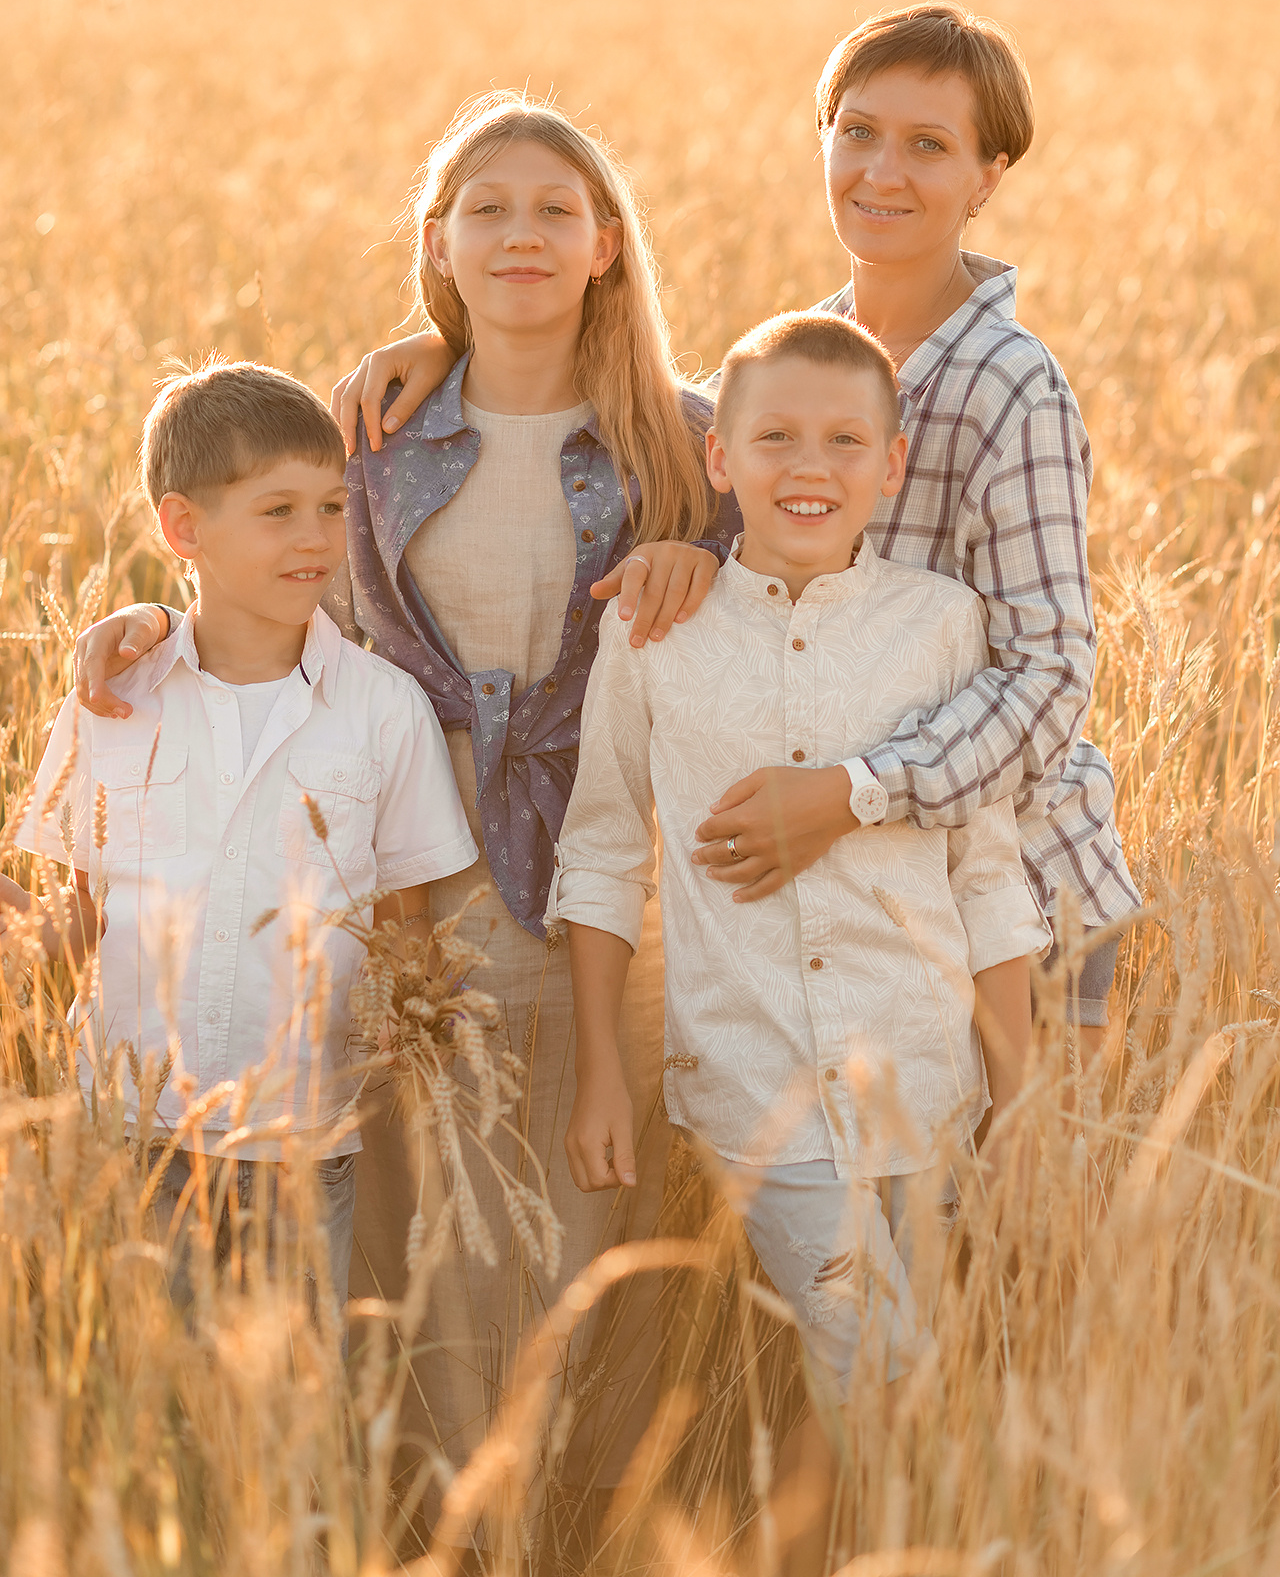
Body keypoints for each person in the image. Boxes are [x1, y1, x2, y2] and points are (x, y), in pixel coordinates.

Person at [71, 94, 738, 1552]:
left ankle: (556, 1521)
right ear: (435, 242)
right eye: (484, 208)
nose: (521, 233)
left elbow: (794, 590)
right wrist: (131, 622)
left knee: (574, 1223)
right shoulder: (377, 422)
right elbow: (250, 555)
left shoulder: (691, 443)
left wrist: (702, 553)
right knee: (398, 1223)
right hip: (393, 870)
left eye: (555, 208)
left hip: (603, 881)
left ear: (608, 244)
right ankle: (400, 1518)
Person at [323, 3, 1139, 1051]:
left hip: (1008, 898)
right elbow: (681, 434)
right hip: (854, 892)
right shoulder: (817, 351)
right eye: (856, 132)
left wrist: (851, 794)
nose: (880, 171)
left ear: (987, 177)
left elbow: (1048, 681)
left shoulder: (1006, 386)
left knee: (1002, 1214)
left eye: (927, 146)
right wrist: (452, 347)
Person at [554, 311, 1047, 1567]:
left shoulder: (940, 625)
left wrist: (1021, 1095)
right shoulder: (654, 626)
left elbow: (983, 870)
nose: (807, 466)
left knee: (871, 1402)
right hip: (756, 1085)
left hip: (922, 1077)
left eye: (842, 440)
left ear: (891, 465)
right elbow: (605, 847)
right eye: (773, 436)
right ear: (720, 458)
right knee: (889, 1377)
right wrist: (603, 1066)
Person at [9, 358, 476, 1325]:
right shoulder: (112, 703)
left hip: (296, 1141)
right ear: (184, 528)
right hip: (127, 1131)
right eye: (278, 512)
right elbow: (79, 917)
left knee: (288, 1414)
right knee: (154, 1413)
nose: (317, 539)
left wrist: (413, 1013)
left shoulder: (383, 712)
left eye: (329, 507)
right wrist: (23, 951)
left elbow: (408, 924)